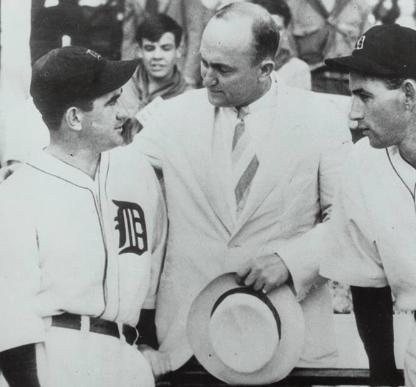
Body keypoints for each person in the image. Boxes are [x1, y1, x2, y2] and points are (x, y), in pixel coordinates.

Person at [131, 2, 352, 377]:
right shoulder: (170, 117)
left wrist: (291, 261)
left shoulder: (321, 121)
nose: (207, 78)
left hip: (289, 341)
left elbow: (349, 219)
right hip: (189, 344)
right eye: (203, 62)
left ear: (266, 68)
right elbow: (120, 182)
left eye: (223, 69)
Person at [281, 23, 416, 386]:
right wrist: (382, 374)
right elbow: (366, 282)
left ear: (409, 94)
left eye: (365, 96)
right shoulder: (362, 164)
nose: (353, 113)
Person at [0, 46, 167, 387]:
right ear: (75, 118)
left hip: (128, 358)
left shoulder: (136, 172)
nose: (124, 112)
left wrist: (148, 339)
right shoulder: (19, 195)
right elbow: (11, 324)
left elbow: (155, 265)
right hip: (61, 358)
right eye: (111, 102)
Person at [286, 0, 372, 95]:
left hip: (348, 83)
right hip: (309, 82)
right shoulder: (294, 5)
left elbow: (368, 50)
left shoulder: (360, 6)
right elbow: (287, 50)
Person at [119, 13, 189, 118]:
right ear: (139, 51)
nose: (157, 56)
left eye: (166, 48)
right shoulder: (123, 86)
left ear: (179, 51)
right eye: (149, 48)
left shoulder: (187, 96)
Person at [251, 0, 311, 90]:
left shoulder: (297, 69)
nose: (272, 35)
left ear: (286, 31)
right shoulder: (240, 64)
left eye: (279, 28)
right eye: (265, 28)